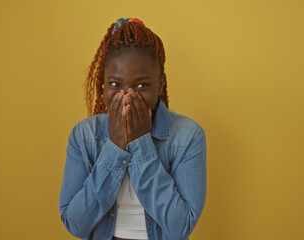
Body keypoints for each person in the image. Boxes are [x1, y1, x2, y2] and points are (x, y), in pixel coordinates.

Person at [59, 17, 207, 240]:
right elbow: (75, 224)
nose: (127, 96)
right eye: (115, 85)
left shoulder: (188, 136)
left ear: (160, 84)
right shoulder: (83, 136)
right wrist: (115, 148)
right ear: (103, 85)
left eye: (141, 86)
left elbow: (180, 227)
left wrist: (140, 143)